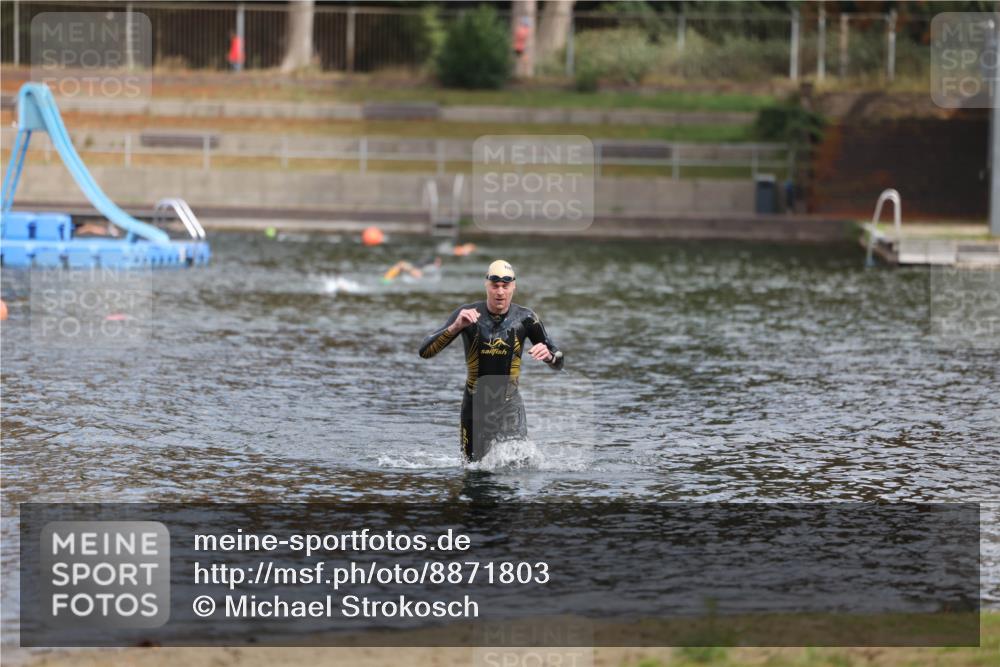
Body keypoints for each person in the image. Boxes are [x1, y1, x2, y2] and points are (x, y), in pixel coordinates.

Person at [418, 260, 564, 462]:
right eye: (495, 286)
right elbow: (425, 352)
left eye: (505, 286)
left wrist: (549, 356)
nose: (500, 292)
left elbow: (559, 361)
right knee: (472, 469)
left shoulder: (527, 318)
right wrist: (456, 326)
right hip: (474, 406)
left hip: (510, 406)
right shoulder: (467, 315)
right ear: (486, 285)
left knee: (519, 465)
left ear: (514, 286)